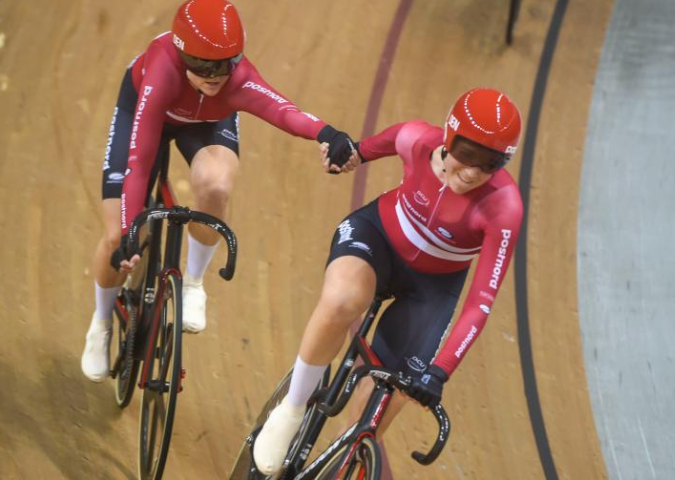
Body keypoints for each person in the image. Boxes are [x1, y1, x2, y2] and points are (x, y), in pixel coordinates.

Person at [253, 87, 524, 474]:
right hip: (376, 237)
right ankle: (292, 409)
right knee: (344, 300)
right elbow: (365, 149)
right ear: (448, 137)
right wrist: (347, 154)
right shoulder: (415, 139)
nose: (471, 172)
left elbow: (481, 301)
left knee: (373, 417)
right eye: (466, 156)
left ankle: (335, 462)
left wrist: (440, 370)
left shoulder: (504, 208)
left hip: (431, 289)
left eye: (489, 164)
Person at [81, 0, 355, 382]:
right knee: (115, 236)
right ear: (181, 56)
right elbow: (139, 161)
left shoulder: (237, 78)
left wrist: (327, 133)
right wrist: (129, 228)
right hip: (146, 113)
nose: (214, 76)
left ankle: (193, 284)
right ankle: (101, 322)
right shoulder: (163, 70)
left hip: (206, 122)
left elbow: (284, 111)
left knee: (216, 183)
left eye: (224, 64)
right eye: (203, 66)